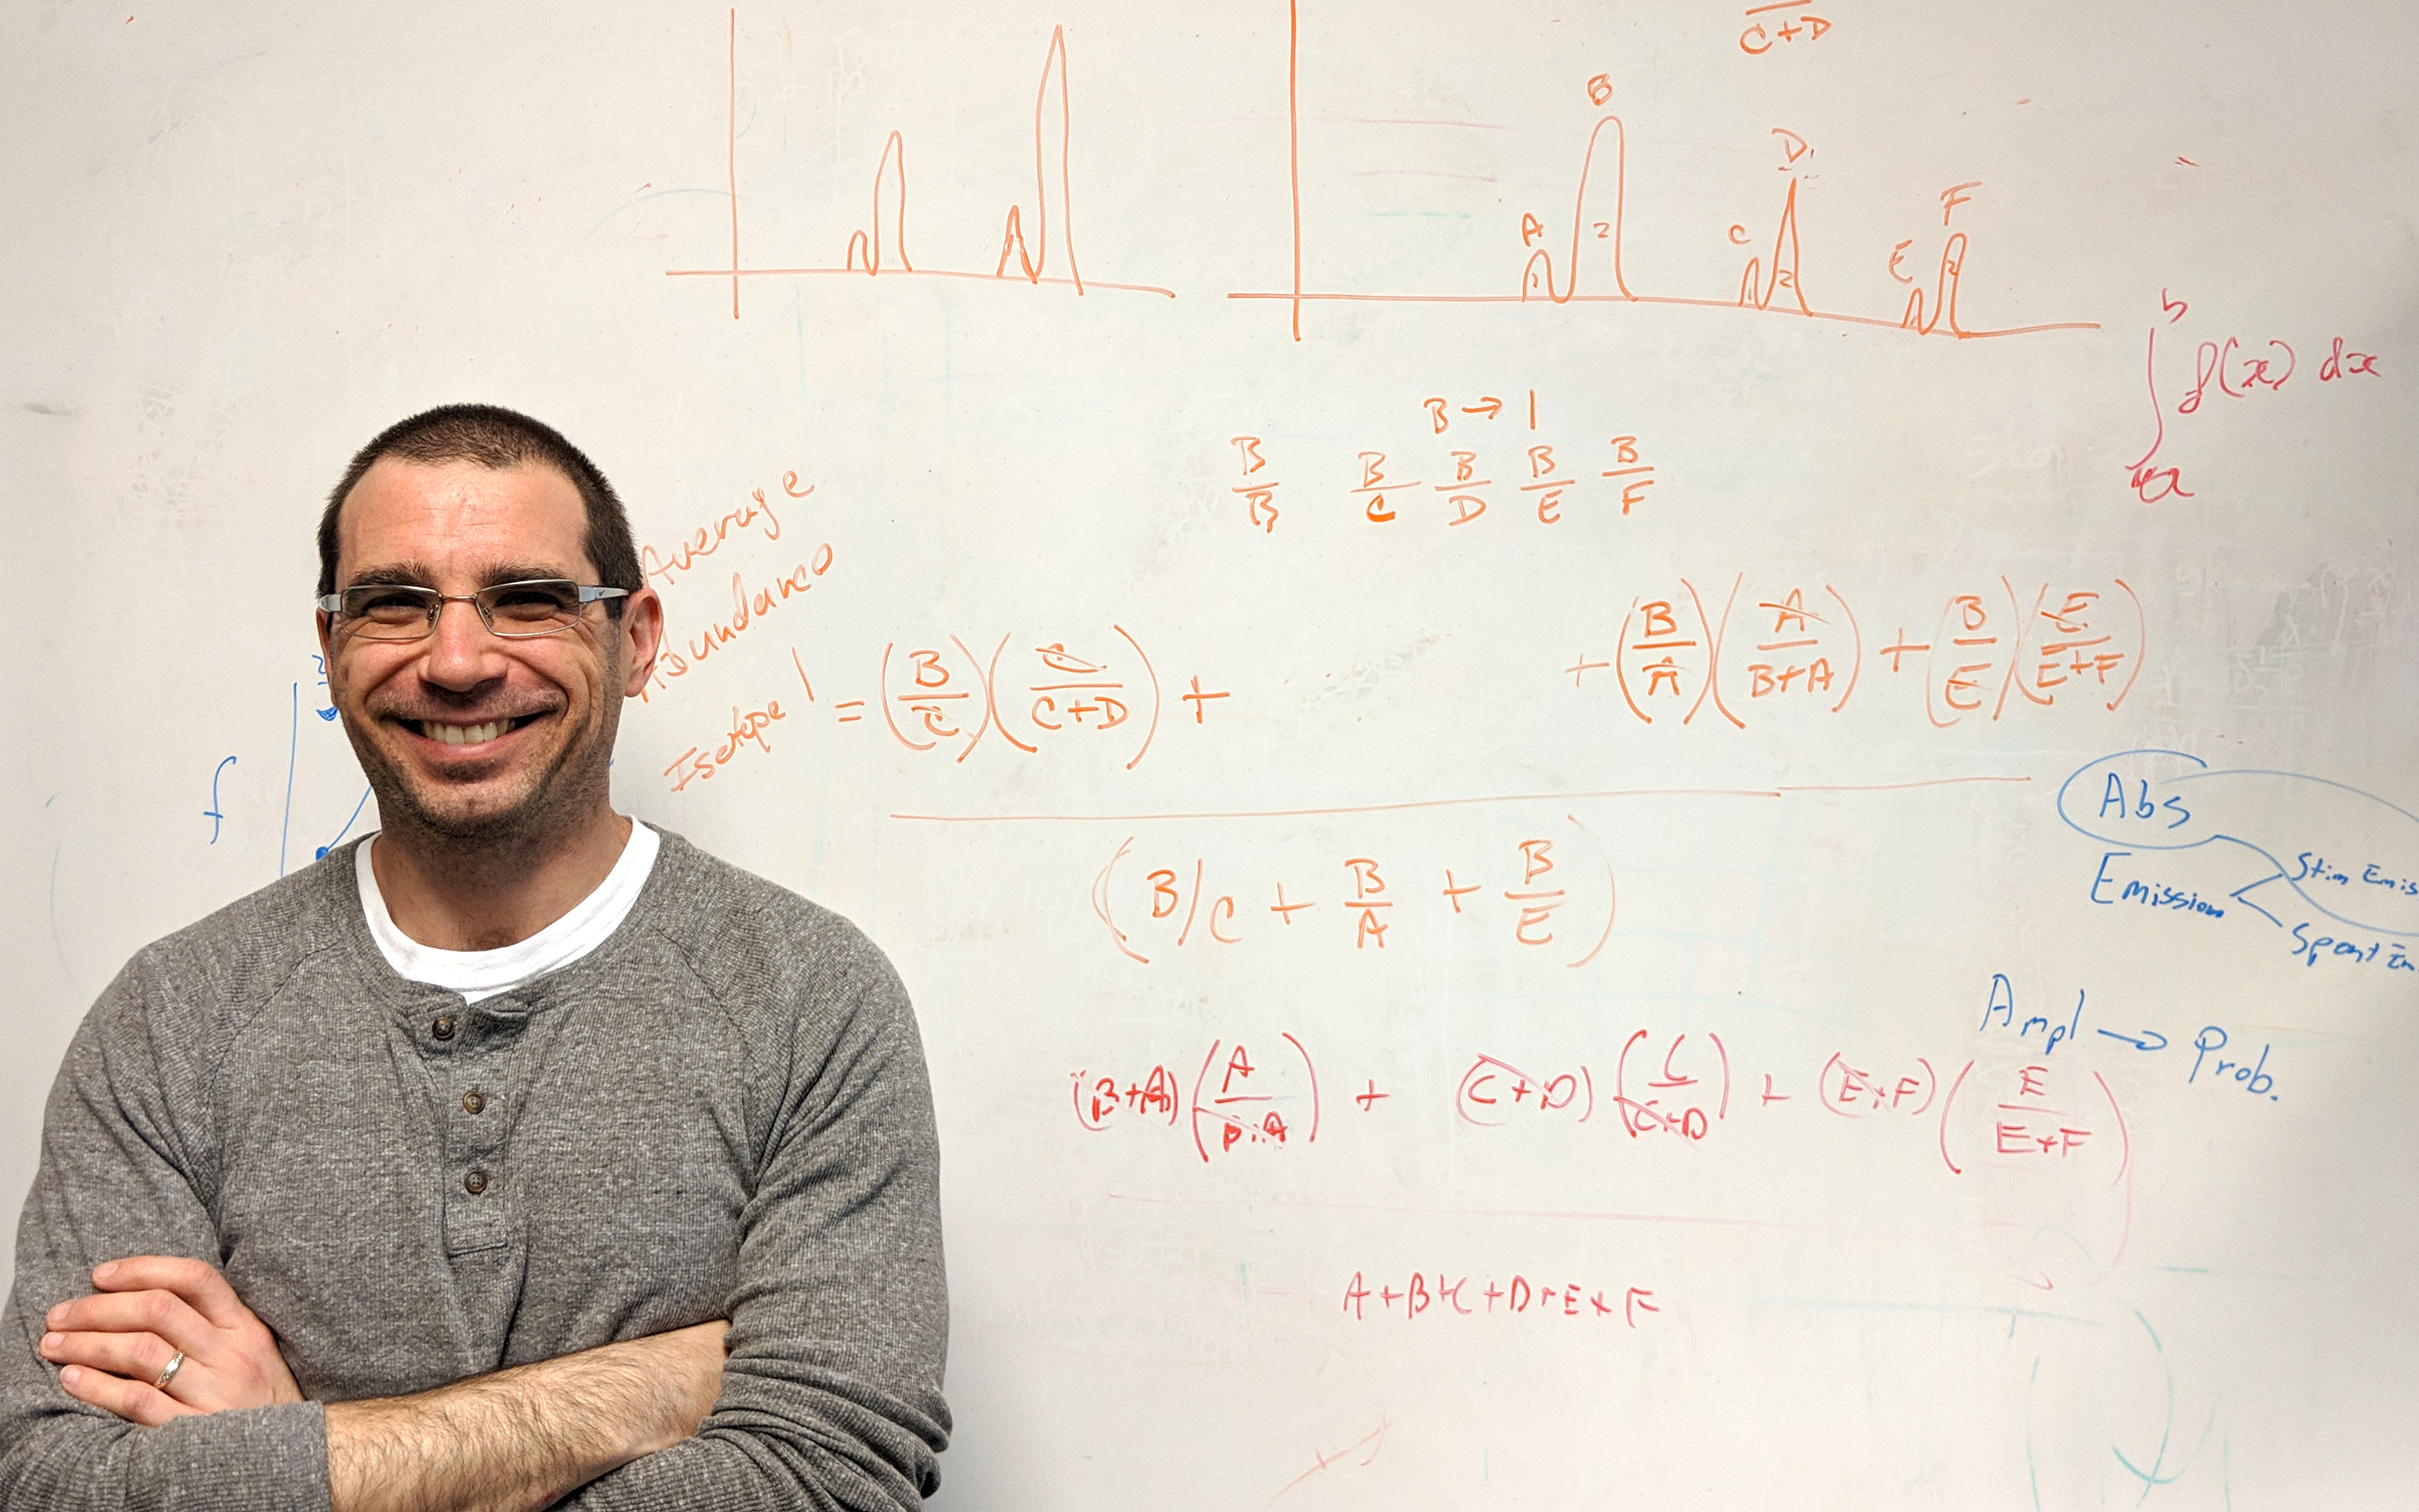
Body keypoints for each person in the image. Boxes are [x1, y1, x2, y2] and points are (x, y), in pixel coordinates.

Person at [0, 405, 950, 1511]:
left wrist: (290, 1450)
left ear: (633, 638)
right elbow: (56, 1483)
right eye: (395, 604)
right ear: (331, 644)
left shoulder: (809, 1000)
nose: (456, 662)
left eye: (529, 600)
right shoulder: (173, 1019)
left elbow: (834, 1476)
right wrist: (636, 1391)